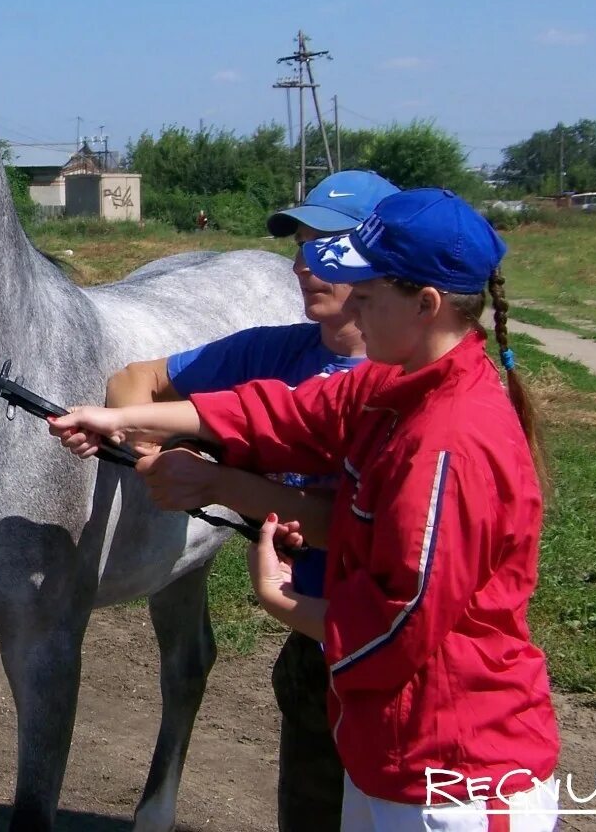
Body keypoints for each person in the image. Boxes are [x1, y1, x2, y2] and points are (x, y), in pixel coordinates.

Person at [51, 188, 560, 830]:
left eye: (367, 297)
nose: (352, 313)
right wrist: (124, 416)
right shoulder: (393, 385)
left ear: (426, 305)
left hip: (454, 775)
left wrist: (282, 601)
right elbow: (281, 412)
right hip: (392, 750)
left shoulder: (448, 442)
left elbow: (399, 624)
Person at [105, 169, 397, 832]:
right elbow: (135, 378)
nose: (302, 263)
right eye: (300, 242)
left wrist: (214, 481)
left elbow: (361, 530)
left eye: (329, 244)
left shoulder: (399, 386)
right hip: (314, 653)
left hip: (395, 655)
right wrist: (154, 449)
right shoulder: (278, 350)